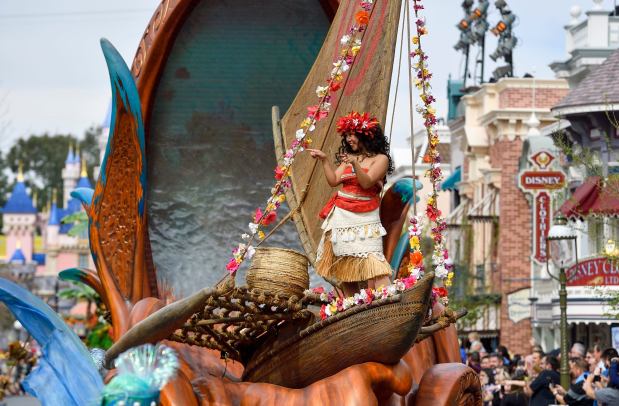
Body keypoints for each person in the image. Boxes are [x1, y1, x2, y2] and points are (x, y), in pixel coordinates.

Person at [308, 112, 394, 296]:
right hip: (341, 216)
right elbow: (333, 180)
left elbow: (367, 182)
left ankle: (387, 302)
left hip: (365, 216)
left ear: (365, 135)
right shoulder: (349, 158)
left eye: (352, 135)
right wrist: (324, 160)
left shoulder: (381, 159)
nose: (348, 139)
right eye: (346, 136)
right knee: (345, 265)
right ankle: (351, 305)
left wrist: (355, 164)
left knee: (375, 262)